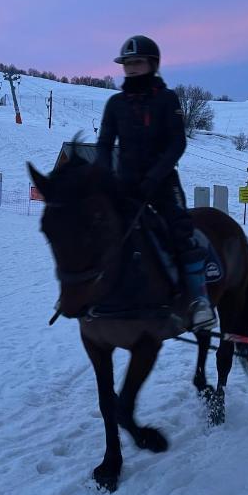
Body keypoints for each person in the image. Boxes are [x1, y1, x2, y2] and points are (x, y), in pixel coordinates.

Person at [96, 34, 216, 331]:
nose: (132, 68)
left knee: (181, 232)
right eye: (127, 64)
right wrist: (105, 178)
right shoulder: (114, 104)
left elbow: (177, 144)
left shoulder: (167, 99)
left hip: (162, 183)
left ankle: (198, 300)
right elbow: (103, 145)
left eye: (137, 62)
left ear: (152, 64)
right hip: (125, 184)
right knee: (102, 232)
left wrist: (153, 177)